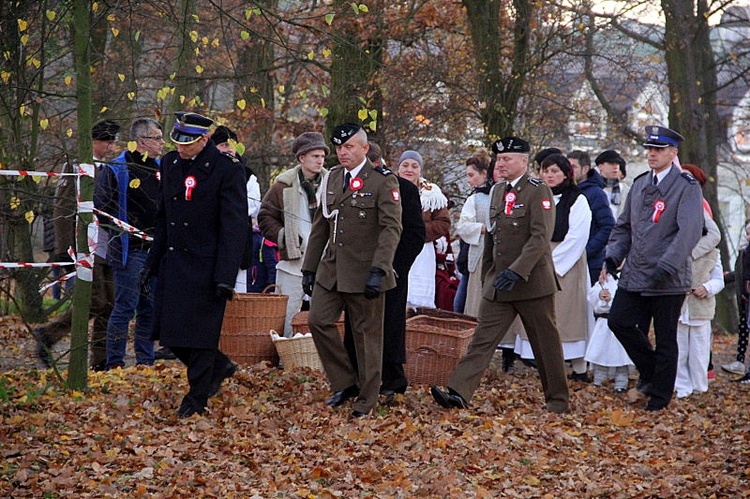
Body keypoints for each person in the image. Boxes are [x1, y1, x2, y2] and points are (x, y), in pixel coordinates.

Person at [431, 136, 570, 414]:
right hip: (500, 283)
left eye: (507, 159)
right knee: (482, 338)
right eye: (499, 159)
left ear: (523, 161)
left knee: (545, 344)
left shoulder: (537, 190)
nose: (501, 163)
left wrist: (517, 272)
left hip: (532, 283)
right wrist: (489, 276)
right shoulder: (497, 191)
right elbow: (494, 237)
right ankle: (458, 391)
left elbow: (540, 237)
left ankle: (557, 401)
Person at [144, 112, 248, 418]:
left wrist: (226, 275)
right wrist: (151, 263)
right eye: (176, 141)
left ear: (204, 140)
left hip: (208, 264)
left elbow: (234, 225)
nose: (180, 147)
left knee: (200, 336)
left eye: (187, 143)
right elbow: (163, 217)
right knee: (170, 334)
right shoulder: (169, 163)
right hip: (174, 260)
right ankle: (220, 367)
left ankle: (196, 398)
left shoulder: (227, 170)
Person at [301, 123, 402, 418]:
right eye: (339, 148)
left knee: (367, 338)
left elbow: (391, 229)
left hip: (366, 270)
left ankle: (367, 399)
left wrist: (380, 269)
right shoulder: (332, 177)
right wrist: (309, 268)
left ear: (364, 149)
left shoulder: (383, 181)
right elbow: (322, 225)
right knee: (318, 321)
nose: (342, 153)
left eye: (349, 148)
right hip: (332, 269)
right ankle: (345, 382)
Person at [602, 125, 704, 412]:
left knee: (666, 338)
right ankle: (650, 372)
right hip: (636, 272)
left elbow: (689, 232)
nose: (652, 154)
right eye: (649, 149)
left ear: (673, 152)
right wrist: (612, 256)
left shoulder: (686, 186)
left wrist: (667, 265)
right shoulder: (639, 184)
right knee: (618, 321)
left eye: (658, 150)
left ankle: (659, 399)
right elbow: (623, 227)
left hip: (667, 277)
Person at [34, 119, 121, 371]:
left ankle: (101, 360)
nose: (112, 147)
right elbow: (62, 207)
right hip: (82, 245)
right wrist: (63, 250)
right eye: (107, 141)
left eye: (114, 141)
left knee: (111, 303)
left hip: (107, 244)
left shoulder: (112, 168)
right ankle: (49, 334)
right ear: (94, 141)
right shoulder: (75, 167)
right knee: (94, 301)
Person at [343, 141, 425, 402]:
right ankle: (356, 377)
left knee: (388, 325)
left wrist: (393, 268)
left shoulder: (404, 190)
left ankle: (392, 378)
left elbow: (414, 235)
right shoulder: (349, 186)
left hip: (391, 270)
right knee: (356, 324)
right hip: (357, 269)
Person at [513, 154, 592, 381]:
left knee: (567, 316)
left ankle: (578, 368)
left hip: (564, 263)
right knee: (538, 312)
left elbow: (577, 236)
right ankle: (543, 364)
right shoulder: (534, 196)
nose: (549, 175)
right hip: (535, 259)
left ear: (567, 174)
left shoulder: (577, 200)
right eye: (545, 171)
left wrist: (550, 264)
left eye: (555, 171)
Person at [94, 117, 162, 369]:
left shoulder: (161, 168)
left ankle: (145, 361)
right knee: (125, 307)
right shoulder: (116, 169)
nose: (162, 143)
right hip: (129, 250)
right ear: (142, 141)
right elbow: (101, 209)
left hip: (156, 251)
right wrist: (122, 232)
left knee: (149, 308)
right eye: (157, 138)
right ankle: (115, 363)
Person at [258, 131, 330, 336]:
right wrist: (284, 236)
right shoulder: (283, 184)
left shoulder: (332, 184)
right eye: (315, 156)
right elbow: (265, 216)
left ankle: (319, 359)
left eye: (323, 156)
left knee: (323, 315)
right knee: (287, 315)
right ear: (301, 158)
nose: (320, 160)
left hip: (324, 261)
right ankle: (284, 360)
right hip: (293, 262)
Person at [211, 125, 267, 294]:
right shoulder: (206, 173)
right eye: (224, 145)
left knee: (237, 295)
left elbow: (251, 207)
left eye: (232, 145)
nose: (229, 150)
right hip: (209, 244)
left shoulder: (248, 176)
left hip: (238, 245)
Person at [397, 150, 451, 310]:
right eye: (405, 165)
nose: (409, 169)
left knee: (418, 300)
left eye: (414, 166)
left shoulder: (431, 193)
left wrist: (417, 232)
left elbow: (443, 222)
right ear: (398, 168)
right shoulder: (389, 187)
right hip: (395, 246)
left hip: (422, 250)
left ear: (420, 170)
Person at [674, 249, 723, 398]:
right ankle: (681, 386)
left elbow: (719, 280)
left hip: (701, 308)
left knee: (699, 351)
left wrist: (707, 288)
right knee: (679, 350)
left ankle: (699, 387)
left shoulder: (713, 253)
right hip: (678, 307)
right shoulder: (677, 247)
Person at [454, 149, 492, 317]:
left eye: (471, 175)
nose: (468, 180)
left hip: (487, 255)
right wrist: (482, 228)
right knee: (463, 301)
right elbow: (462, 227)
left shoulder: (495, 195)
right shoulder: (474, 198)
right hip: (472, 255)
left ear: (484, 174)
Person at [568, 150, 616, 284]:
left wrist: (585, 251)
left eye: (573, 167)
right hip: (569, 259)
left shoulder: (596, 193)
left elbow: (607, 226)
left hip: (590, 263)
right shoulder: (568, 191)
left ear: (585, 169)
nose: (569, 171)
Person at [584, 275, 633, 392]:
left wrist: (612, 300)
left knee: (621, 355)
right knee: (601, 351)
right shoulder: (605, 280)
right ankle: (599, 379)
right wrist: (600, 296)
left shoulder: (628, 279)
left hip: (622, 323)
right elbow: (592, 294)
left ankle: (621, 382)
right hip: (604, 324)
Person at [722, 222, 750, 377]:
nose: (748, 236)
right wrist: (725, 278)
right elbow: (739, 274)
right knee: (743, 331)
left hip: (747, 296)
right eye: (747, 233)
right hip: (743, 300)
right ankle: (739, 362)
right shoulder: (743, 252)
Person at [595, 150, 629, 220]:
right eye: (611, 163)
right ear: (600, 166)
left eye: (617, 163)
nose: (615, 166)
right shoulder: (593, 189)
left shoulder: (627, 191)